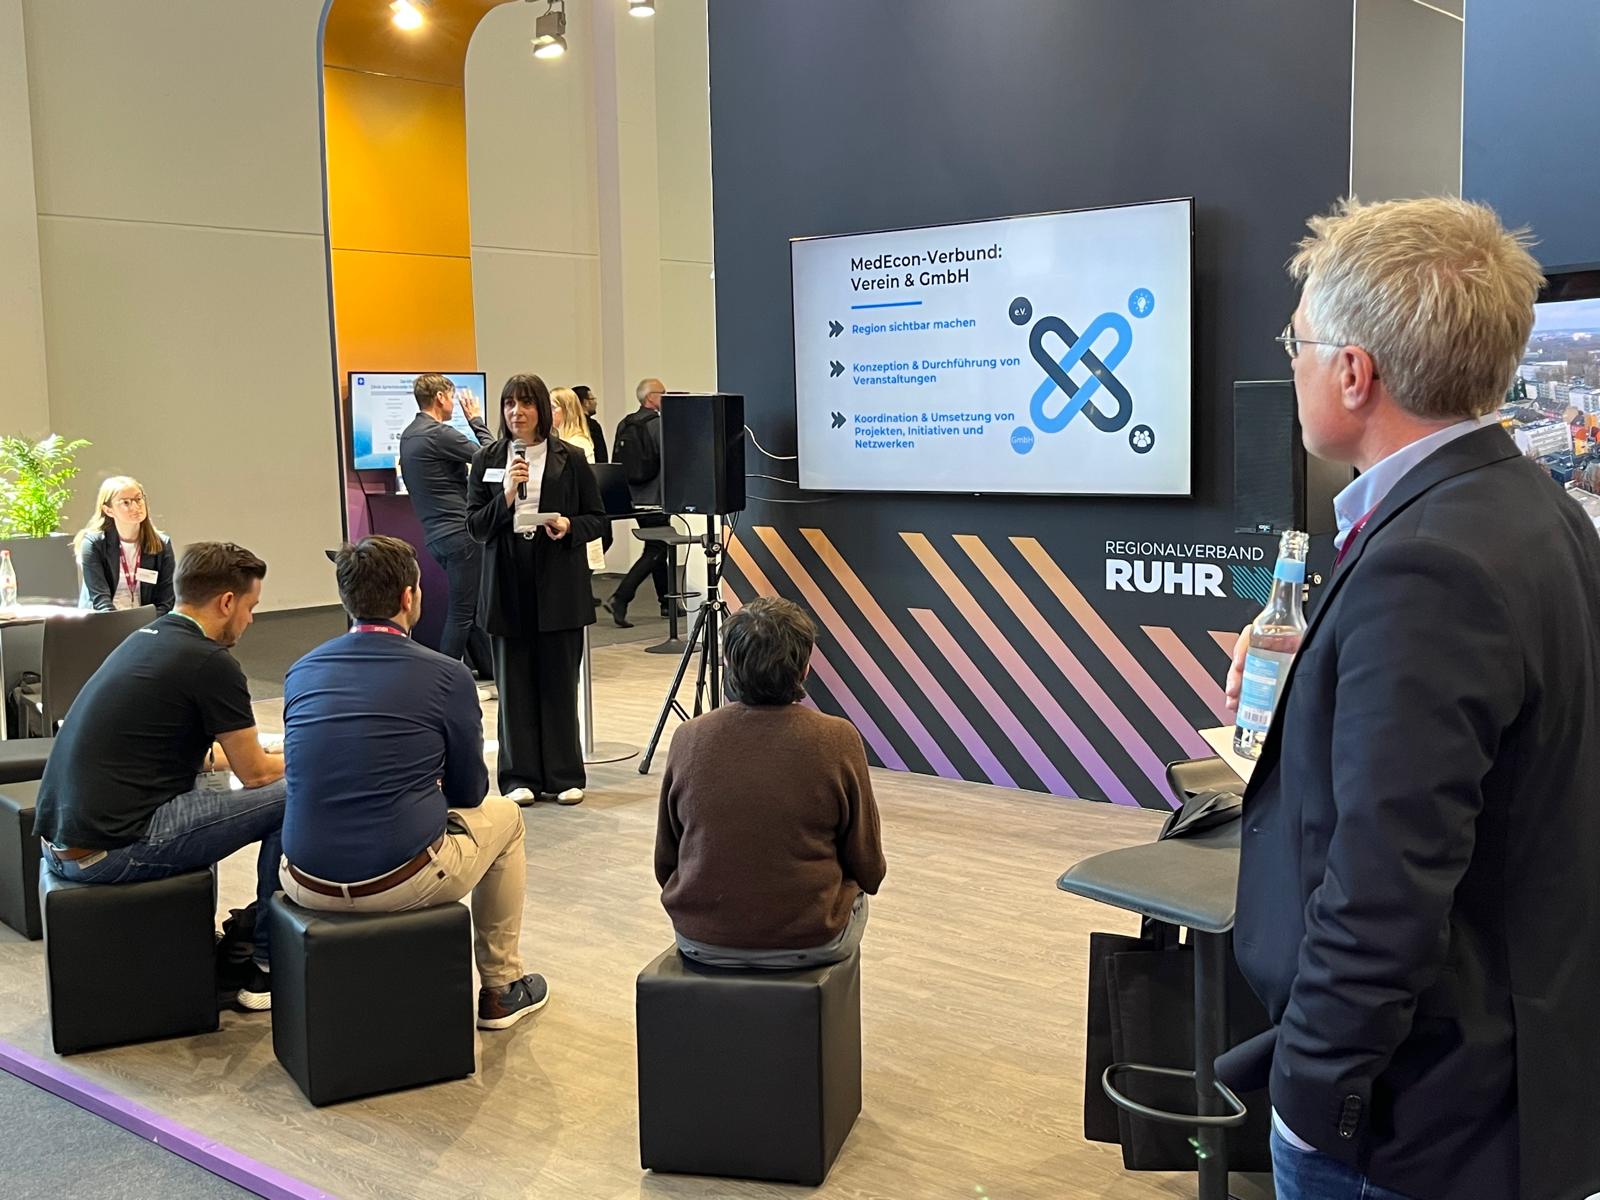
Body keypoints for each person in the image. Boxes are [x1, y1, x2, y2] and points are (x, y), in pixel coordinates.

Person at [1219, 197, 1600, 1200]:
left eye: (1297, 342)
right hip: (1508, 1083)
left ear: (1354, 371)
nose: (1291, 363)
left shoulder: (1428, 566)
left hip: (1416, 1120)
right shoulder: (1532, 511)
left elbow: (1386, 883)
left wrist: (1313, 1099)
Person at [278, 536, 548, 1029]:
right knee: (507, 818)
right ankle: (501, 986)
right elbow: (470, 792)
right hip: (397, 880)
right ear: (408, 596)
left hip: (302, 878)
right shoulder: (446, 675)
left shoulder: (301, 671)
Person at [34, 541, 287, 1011]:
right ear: (226, 602)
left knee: (217, 783)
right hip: (110, 852)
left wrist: (269, 753)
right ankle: (267, 964)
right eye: (251, 607)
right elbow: (255, 775)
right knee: (294, 794)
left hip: (65, 844)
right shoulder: (211, 662)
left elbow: (175, 753)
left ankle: (228, 941)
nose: (252, 620)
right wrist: (308, 758)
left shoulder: (147, 639)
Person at [655, 596, 886, 968]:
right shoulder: (837, 738)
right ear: (805, 667)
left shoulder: (689, 736)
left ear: (728, 661)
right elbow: (869, 867)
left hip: (700, 937)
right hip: (811, 938)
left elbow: (666, 861)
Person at [466, 374, 606, 806]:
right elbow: (475, 526)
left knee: (559, 683)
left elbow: (597, 519)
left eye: (526, 403)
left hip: (558, 580)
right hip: (507, 580)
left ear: (542, 409)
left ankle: (564, 775)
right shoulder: (486, 459)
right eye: (509, 404)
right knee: (514, 686)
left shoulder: (571, 458)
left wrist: (568, 524)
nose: (517, 412)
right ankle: (518, 776)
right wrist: (507, 494)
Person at [398, 372, 495, 678]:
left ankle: (491, 669)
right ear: (440, 397)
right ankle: (443, 678)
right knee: (463, 612)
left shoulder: (409, 435)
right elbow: (494, 457)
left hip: (437, 536)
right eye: (452, 396)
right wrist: (476, 420)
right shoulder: (439, 434)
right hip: (462, 534)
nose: (455, 403)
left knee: (472, 606)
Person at [603, 377, 675, 628]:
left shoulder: (625, 423)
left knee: (657, 545)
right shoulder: (658, 425)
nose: (666, 396)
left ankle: (667, 602)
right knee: (658, 547)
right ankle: (621, 597)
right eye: (663, 392)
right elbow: (671, 460)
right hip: (656, 497)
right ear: (651, 398)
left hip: (633, 496)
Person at [74, 476, 175, 613]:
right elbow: (100, 601)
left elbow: (165, 602)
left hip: (146, 621)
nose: (136, 507)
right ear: (108, 510)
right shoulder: (94, 544)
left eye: (138, 499)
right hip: (104, 620)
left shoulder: (162, 544)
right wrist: (120, 623)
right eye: (126, 502)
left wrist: (148, 625)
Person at [552, 387, 609, 589]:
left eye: (553, 408)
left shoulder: (578, 444)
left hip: (575, 521)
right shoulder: (558, 442)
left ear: (566, 410)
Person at [573, 385, 608, 464]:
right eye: (593, 399)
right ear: (586, 402)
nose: (596, 403)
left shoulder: (570, 425)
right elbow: (601, 456)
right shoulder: (593, 426)